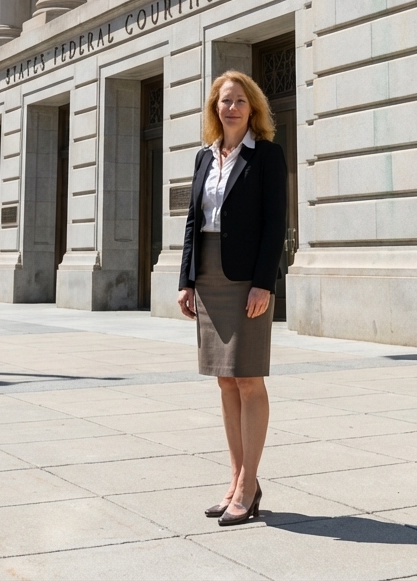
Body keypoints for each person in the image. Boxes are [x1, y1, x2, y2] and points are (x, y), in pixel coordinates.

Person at [178, 69, 287, 526]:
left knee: (248, 379)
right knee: (224, 380)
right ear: (214, 109)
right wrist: (186, 279)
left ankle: (249, 484)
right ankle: (237, 479)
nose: (232, 107)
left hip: (247, 279)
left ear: (253, 108)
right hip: (209, 275)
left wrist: (265, 282)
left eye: (240, 100)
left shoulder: (266, 157)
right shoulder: (205, 157)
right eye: (225, 100)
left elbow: (274, 223)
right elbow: (191, 221)